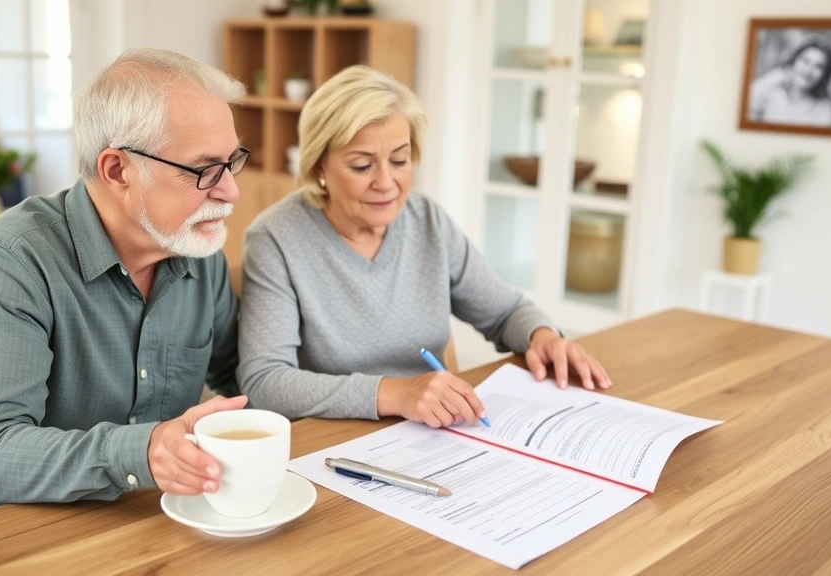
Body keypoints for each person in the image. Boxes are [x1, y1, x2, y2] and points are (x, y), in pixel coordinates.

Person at [0, 48, 251, 523]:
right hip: (7, 536)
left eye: (232, 161)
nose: (230, 191)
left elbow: (243, 381)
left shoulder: (198, 253)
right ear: (117, 170)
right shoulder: (15, 258)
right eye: (203, 169)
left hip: (144, 521)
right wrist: (140, 452)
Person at [237, 65, 612, 429]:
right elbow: (266, 381)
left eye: (399, 160)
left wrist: (542, 336)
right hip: (329, 443)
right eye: (362, 165)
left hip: (428, 432)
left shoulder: (427, 220)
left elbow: (504, 312)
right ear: (319, 165)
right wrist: (396, 393)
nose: (387, 182)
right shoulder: (276, 238)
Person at [747, 34, 831, 127]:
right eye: (805, 61)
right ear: (794, 61)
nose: (809, 70)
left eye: (818, 66)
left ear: (825, 74)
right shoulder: (773, 94)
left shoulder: (826, 111)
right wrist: (779, 74)